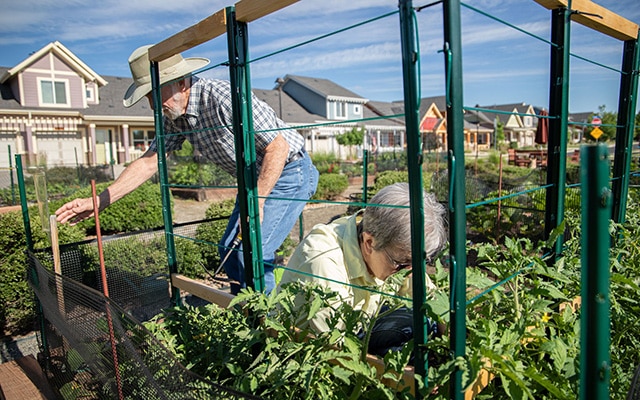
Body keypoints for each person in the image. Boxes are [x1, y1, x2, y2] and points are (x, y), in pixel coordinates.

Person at [55, 45, 319, 294]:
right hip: (253, 179)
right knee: (229, 249)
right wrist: (101, 200)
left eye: (156, 95)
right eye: (148, 97)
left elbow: (278, 147)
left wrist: (256, 202)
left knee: (252, 252)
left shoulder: (223, 98)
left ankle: (268, 326)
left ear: (182, 83)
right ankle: (247, 319)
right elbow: (149, 161)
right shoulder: (174, 115)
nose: (153, 106)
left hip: (289, 171)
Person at [277, 182, 447, 357]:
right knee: (411, 334)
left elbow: (432, 302)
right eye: (402, 263)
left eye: (417, 263)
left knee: (425, 326)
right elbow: (334, 350)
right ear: (369, 243)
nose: (408, 270)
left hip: (358, 325)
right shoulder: (323, 260)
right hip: (308, 350)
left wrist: (453, 344)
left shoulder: (390, 248)